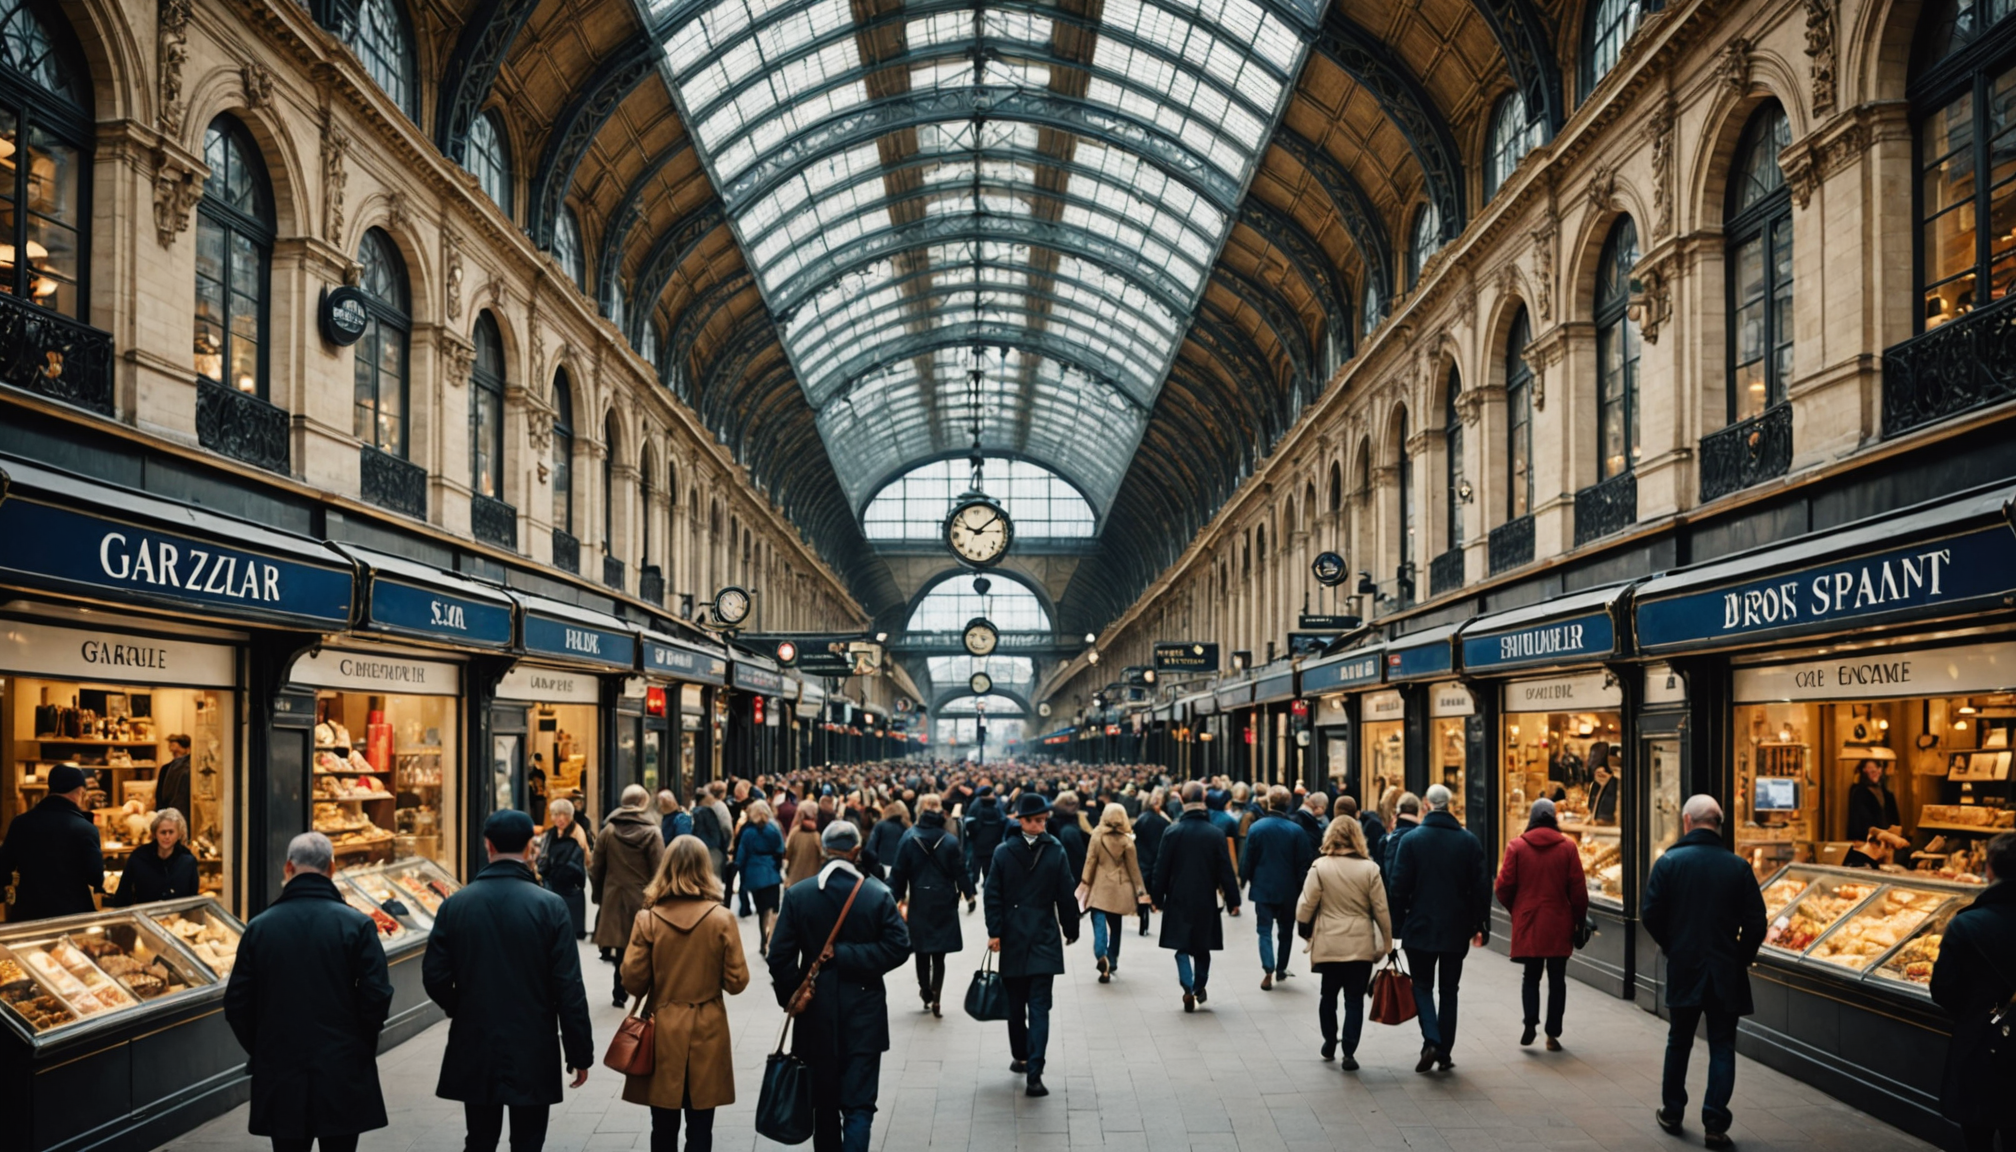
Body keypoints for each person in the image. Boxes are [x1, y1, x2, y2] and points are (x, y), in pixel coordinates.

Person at [424, 810, 595, 1152]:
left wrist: (461, 1006)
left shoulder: (456, 905)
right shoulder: (550, 906)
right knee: (529, 1140)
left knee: (480, 1138)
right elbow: (568, 986)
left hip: (476, 1038)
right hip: (533, 1040)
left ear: (487, 845)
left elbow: (434, 975)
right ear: (531, 847)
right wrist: (579, 1051)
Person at [224, 832, 391, 1152]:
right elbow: (377, 994)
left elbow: (237, 1003)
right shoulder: (356, 925)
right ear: (332, 867)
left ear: (288, 867)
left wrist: (263, 1046)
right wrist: (359, 1043)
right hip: (342, 1065)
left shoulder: (260, 927)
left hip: (280, 1067)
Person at [767, 822, 911, 1152]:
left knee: (824, 1106)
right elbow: (899, 947)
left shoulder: (799, 895)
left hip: (814, 1015)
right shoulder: (877, 895)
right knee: (859, 1106)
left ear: (823, 850)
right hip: (865, 1012)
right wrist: (849, 955)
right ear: (856, 852)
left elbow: (779, 956)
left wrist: (794, 995)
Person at [1642, 795, 1767, 1149]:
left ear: (1686, 821)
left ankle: (1672, 1110)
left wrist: (1673, 945)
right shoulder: (1738, 866)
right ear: (1718, 823)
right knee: (1723, 1045)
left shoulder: (1669, 863)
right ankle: (1714, 1122)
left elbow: (1650, 914)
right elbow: (1757, 922)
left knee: (1679, 1040)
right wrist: (1740, 955)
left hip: (1685, 967)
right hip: (1725, 971)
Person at [619, 835, 748, 1152]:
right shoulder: (722, 918)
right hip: (708, 1027)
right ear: (706, 869)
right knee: (701, 1125)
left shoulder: (647, 918)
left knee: (662, 1125)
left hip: (661, 1029)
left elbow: (632, 982)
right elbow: (737, 982)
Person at [1389, 784, 1490, 1073]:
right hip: (1456, 929)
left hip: (1419, 927)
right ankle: (1443, 1051)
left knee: (1421, 985)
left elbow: (1398, 888)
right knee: (1449, 989)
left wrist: (1397, 927)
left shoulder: (1411, 841)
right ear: (1451, 804)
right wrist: (1479, 923)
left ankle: (1432, 1039)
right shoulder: (1468, 841)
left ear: (1426, 805)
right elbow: (1481, 888)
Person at [984, 793, 1080, 1095]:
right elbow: (1065, 894)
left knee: (1023, 1005)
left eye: (1042, 820)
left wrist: (996, 930)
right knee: (1035, 1006)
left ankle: (1028, 1063)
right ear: (1020, 820)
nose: (1040, 825)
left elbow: (993, 894)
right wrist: (1069, 926)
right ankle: (1031, 1067)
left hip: (1017, 937)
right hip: (1043, 936)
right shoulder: (1055, 851)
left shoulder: (1003, 852)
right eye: (1034, 820)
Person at [1931, 831, 2016, 1152]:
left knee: (1978, 1134)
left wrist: (1977, 1012)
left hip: (1981, 1044)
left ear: (1989, 869)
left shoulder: (1968, 924)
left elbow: (1943, 990)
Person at [1295, 815, 1392, 1071]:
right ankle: (1349, 1050)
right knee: (1354, 999)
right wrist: (1388, 943)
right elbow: (1381, 909)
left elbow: (1306, 904)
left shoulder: (1320, 866)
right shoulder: (1370, 869)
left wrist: (1304, 927)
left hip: (1329, 942)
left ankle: (1329, 1040)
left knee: (1328, 994)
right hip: (1359, 944)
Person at [1495, 798, 1589, 1050]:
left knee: (1531, 976)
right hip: (1559, 921)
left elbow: (1502, 887)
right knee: (1558, 979)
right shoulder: (1568, 847)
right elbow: (1578, 891)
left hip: (1529, 920)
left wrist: (1516, 909)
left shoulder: (1516, 846)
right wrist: (1579, 919)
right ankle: (1552, 1033)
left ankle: (1530, 1023)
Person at [1148, 781, 1242, 1013]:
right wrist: (1233, 901)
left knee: (1181, 947)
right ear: (1203, 799)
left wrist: (1156, 898)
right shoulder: (1215, 834)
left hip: (1178, 896)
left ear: (1182, 800)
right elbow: (1225, 871)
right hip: (1205, 898)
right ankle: (1199, 985)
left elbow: (1161, 868)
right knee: (1202, 947)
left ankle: (1187, 986)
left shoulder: (1172, 832)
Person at [888, 793, 973, 1016]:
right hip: (944, 900)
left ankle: (924, 988)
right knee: (940, 955)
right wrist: (969, 893)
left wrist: (890, 899)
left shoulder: (908, 838)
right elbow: (960, 871)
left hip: (919, 900)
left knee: (921, 950)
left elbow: (898, 874)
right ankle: (937, 997)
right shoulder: (950, 841)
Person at [593, 785, 667, 1005]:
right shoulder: (652, 833)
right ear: (643, 803)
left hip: (615, 895)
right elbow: (659, 870)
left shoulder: (608, 831)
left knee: (622, 946)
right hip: (643, 898)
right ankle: (643, 988)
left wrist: (599, 896)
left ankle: (620, 990)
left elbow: (597, 867)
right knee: (645, 945)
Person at [0, 763, 103, 920]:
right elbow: (95, 877)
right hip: (73, 915)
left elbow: (3, 867)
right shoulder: (85, 829)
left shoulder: (20, 823)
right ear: (81, 792)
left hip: (29, 914)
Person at [1241, 786, 1315, 989]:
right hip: (1288, 890)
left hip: (1263, 887)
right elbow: (1303, 864)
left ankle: (1268, 968)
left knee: (1264, 930)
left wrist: (1243, 880)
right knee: (1285, 931)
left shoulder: (1257, 828)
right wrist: (1302, 889)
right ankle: (1281, 967)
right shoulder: (1296, 831)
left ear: (1269, 803)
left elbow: (1248, 860)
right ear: (1288, 804)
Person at [1081, 802, 1147, 983]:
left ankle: (1100, 953)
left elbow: (1090, 861)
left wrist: (1085, 881)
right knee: (1116, 925)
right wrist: (1141, 891)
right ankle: (1113, 958)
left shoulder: (1097, 836)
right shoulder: (1127, 841)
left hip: (1100, 885)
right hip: (1119, 887)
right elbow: (1134, 869)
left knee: (1099, 921)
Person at [109, 807, 201, 906]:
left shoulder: (188, 861)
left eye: (171, 832)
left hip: (178, 918)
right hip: (144, 916)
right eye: (163, 832)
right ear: (154, 834)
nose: (167, 837)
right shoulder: (138, 857)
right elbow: (123, 895)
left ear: (178, 834)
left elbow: (193, 899)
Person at [734, 800, 787, 954]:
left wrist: (740, 872)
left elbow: (741, 855)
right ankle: (771, 940)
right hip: (771, 874)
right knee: (772, 909)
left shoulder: (748, 832)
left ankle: (764, 939)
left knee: (761, 909)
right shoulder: (773, 829)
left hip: (754, 875)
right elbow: (781, 849)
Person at [536, 799, 593, 939]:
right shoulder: (550, 834)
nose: (560, 819)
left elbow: (585, 857)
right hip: (553, 884)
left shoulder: (577, 832)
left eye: (564, 815)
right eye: (556, 815)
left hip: (569, 886)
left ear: (570, 815)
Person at [1132, 787, 1170, 936]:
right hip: (1156, 857)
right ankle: (1154, 904)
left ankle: (1143, 917)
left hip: (1142, 857)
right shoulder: (1163, 822)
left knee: (1143, 889)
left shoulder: (1141, 819)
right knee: (1153, 886)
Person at [1380, 791, 1422, 904]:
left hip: (1396, 907)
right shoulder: (1424, 837)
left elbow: (1388, 877)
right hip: (1418, 905)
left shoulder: (1389, 840)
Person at [1846, 760, 1902, 843]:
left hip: (1886, 840)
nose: (1875, 772)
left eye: (1878, 768)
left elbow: (1894, 819)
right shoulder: (1858, 792)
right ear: (1864, 770)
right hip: (1866, 840)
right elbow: (1859, 820)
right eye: (1871, 770)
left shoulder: (1887, 793)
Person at [964, 784, 1007, 888]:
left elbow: (969, 823)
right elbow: (1002, 821)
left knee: (977, 864)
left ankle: (973, 883)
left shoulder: (975, 805)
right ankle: (983, 882)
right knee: (987, 865)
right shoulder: (995, 806)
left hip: (980, 843)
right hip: (991, 843)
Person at [693, 782, 730, 895]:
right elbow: (726, 828)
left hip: (701, 849)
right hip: (714, 849)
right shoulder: (711, 810)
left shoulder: (695, 812)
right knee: (714, 880)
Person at [1048, 790, 1090, 884]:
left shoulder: (1077, 818)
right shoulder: (1053, 823)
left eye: (1077, 803)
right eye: (1071, 804)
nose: (1075, 806)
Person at [156, 735, 193, 829]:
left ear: (187, 749)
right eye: (173, 752)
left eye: (177, 751)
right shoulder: (166, 769)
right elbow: (160, 795)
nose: (175, 754)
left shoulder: (191, 769)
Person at [784, 807, 826, 888]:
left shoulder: (794, 833)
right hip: (811, 879)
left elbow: (788, 854)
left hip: (794, 877)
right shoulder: (816, 836)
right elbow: (822, 856)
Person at [866, 799, 910, 875]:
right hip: (902, 869)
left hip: (884, 866)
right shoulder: (906, 828)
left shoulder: (880, 825)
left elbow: (869, 849)